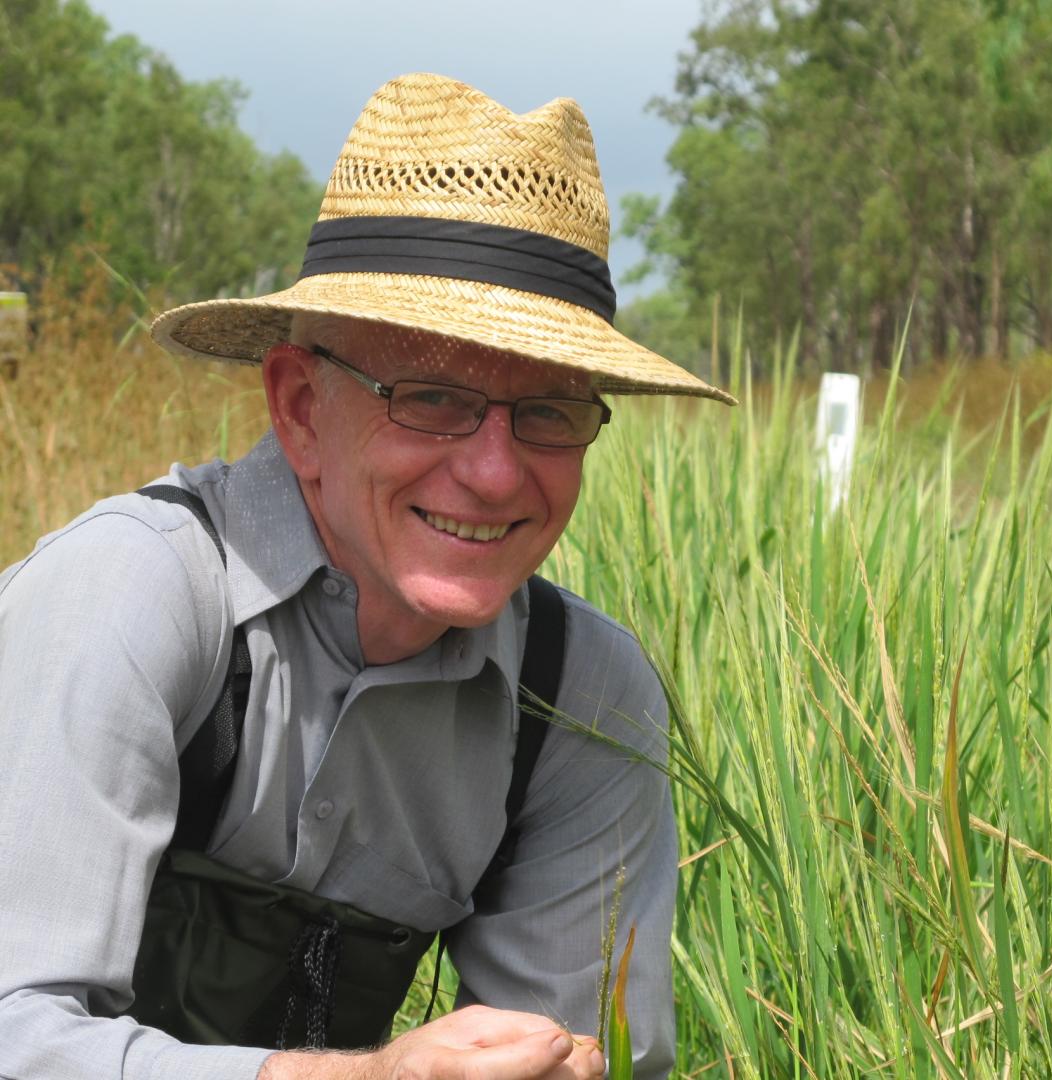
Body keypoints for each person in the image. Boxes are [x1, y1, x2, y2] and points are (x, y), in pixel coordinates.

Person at [0, 72, 734, 1080]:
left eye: (551, 411)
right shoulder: (131, 597)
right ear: (300, 405)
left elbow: (587, 1054)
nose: (492, 471)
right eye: (431, 397)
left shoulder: (580, 701)